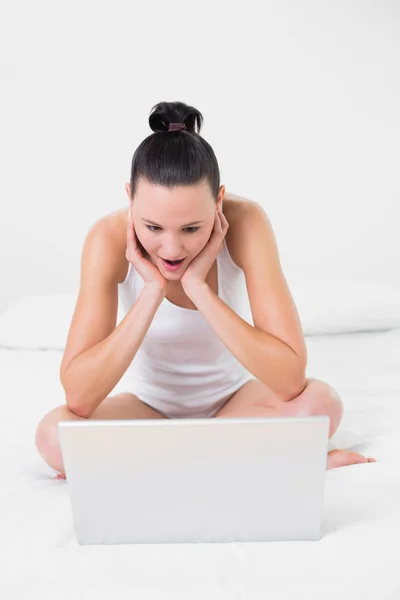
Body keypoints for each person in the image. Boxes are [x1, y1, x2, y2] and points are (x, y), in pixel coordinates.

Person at [35, 100, 376, 479]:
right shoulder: (105, 238)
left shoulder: (247, 222)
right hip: (148, 410)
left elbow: (290, 378)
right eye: (152, 228)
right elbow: (79, 398)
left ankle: (154, 462)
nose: (171, 249)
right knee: (53, 436)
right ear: (130, 198)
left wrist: (199, 289)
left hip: (235, 404)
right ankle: (257, 455)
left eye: (191, 229)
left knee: (321, 404)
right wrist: (152, 291)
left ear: (218, 201)